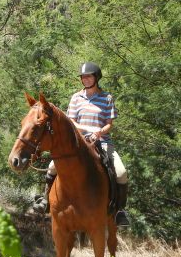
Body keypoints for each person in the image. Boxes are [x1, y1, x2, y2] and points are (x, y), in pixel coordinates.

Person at [37, 62, 130, 227]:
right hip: (78, 142)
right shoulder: (76, 98)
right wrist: (87, 131)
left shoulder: (107, 98)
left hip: (102, 141)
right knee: (52, 167)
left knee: (121, 173)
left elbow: (109, 124)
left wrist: (99, 133)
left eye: (89, 76)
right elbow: (71, 121)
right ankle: (45, 201)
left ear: (96, 77)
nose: (85, 79)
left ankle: (120, 211)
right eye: (83, 77)